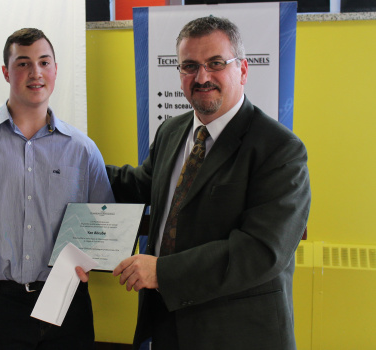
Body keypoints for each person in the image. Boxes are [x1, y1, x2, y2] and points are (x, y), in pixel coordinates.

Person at [106, 16, 311, 350]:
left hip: (237, 334)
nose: (202, 77)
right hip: (168, 323)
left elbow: (260, 251)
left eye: (216, 63)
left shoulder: (279, 149)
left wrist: (163, 273)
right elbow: (141, 185)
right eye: (189, 66)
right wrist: (73, 164)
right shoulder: (172, 131)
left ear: (243, 70)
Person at [0, 28, 114, 350]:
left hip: (67, 306)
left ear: (55, 69)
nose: (36, 73)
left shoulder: (83, 150)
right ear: (6, 72)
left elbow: (101, 226)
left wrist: (96, 253)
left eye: (44, 62)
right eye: (23, 64)